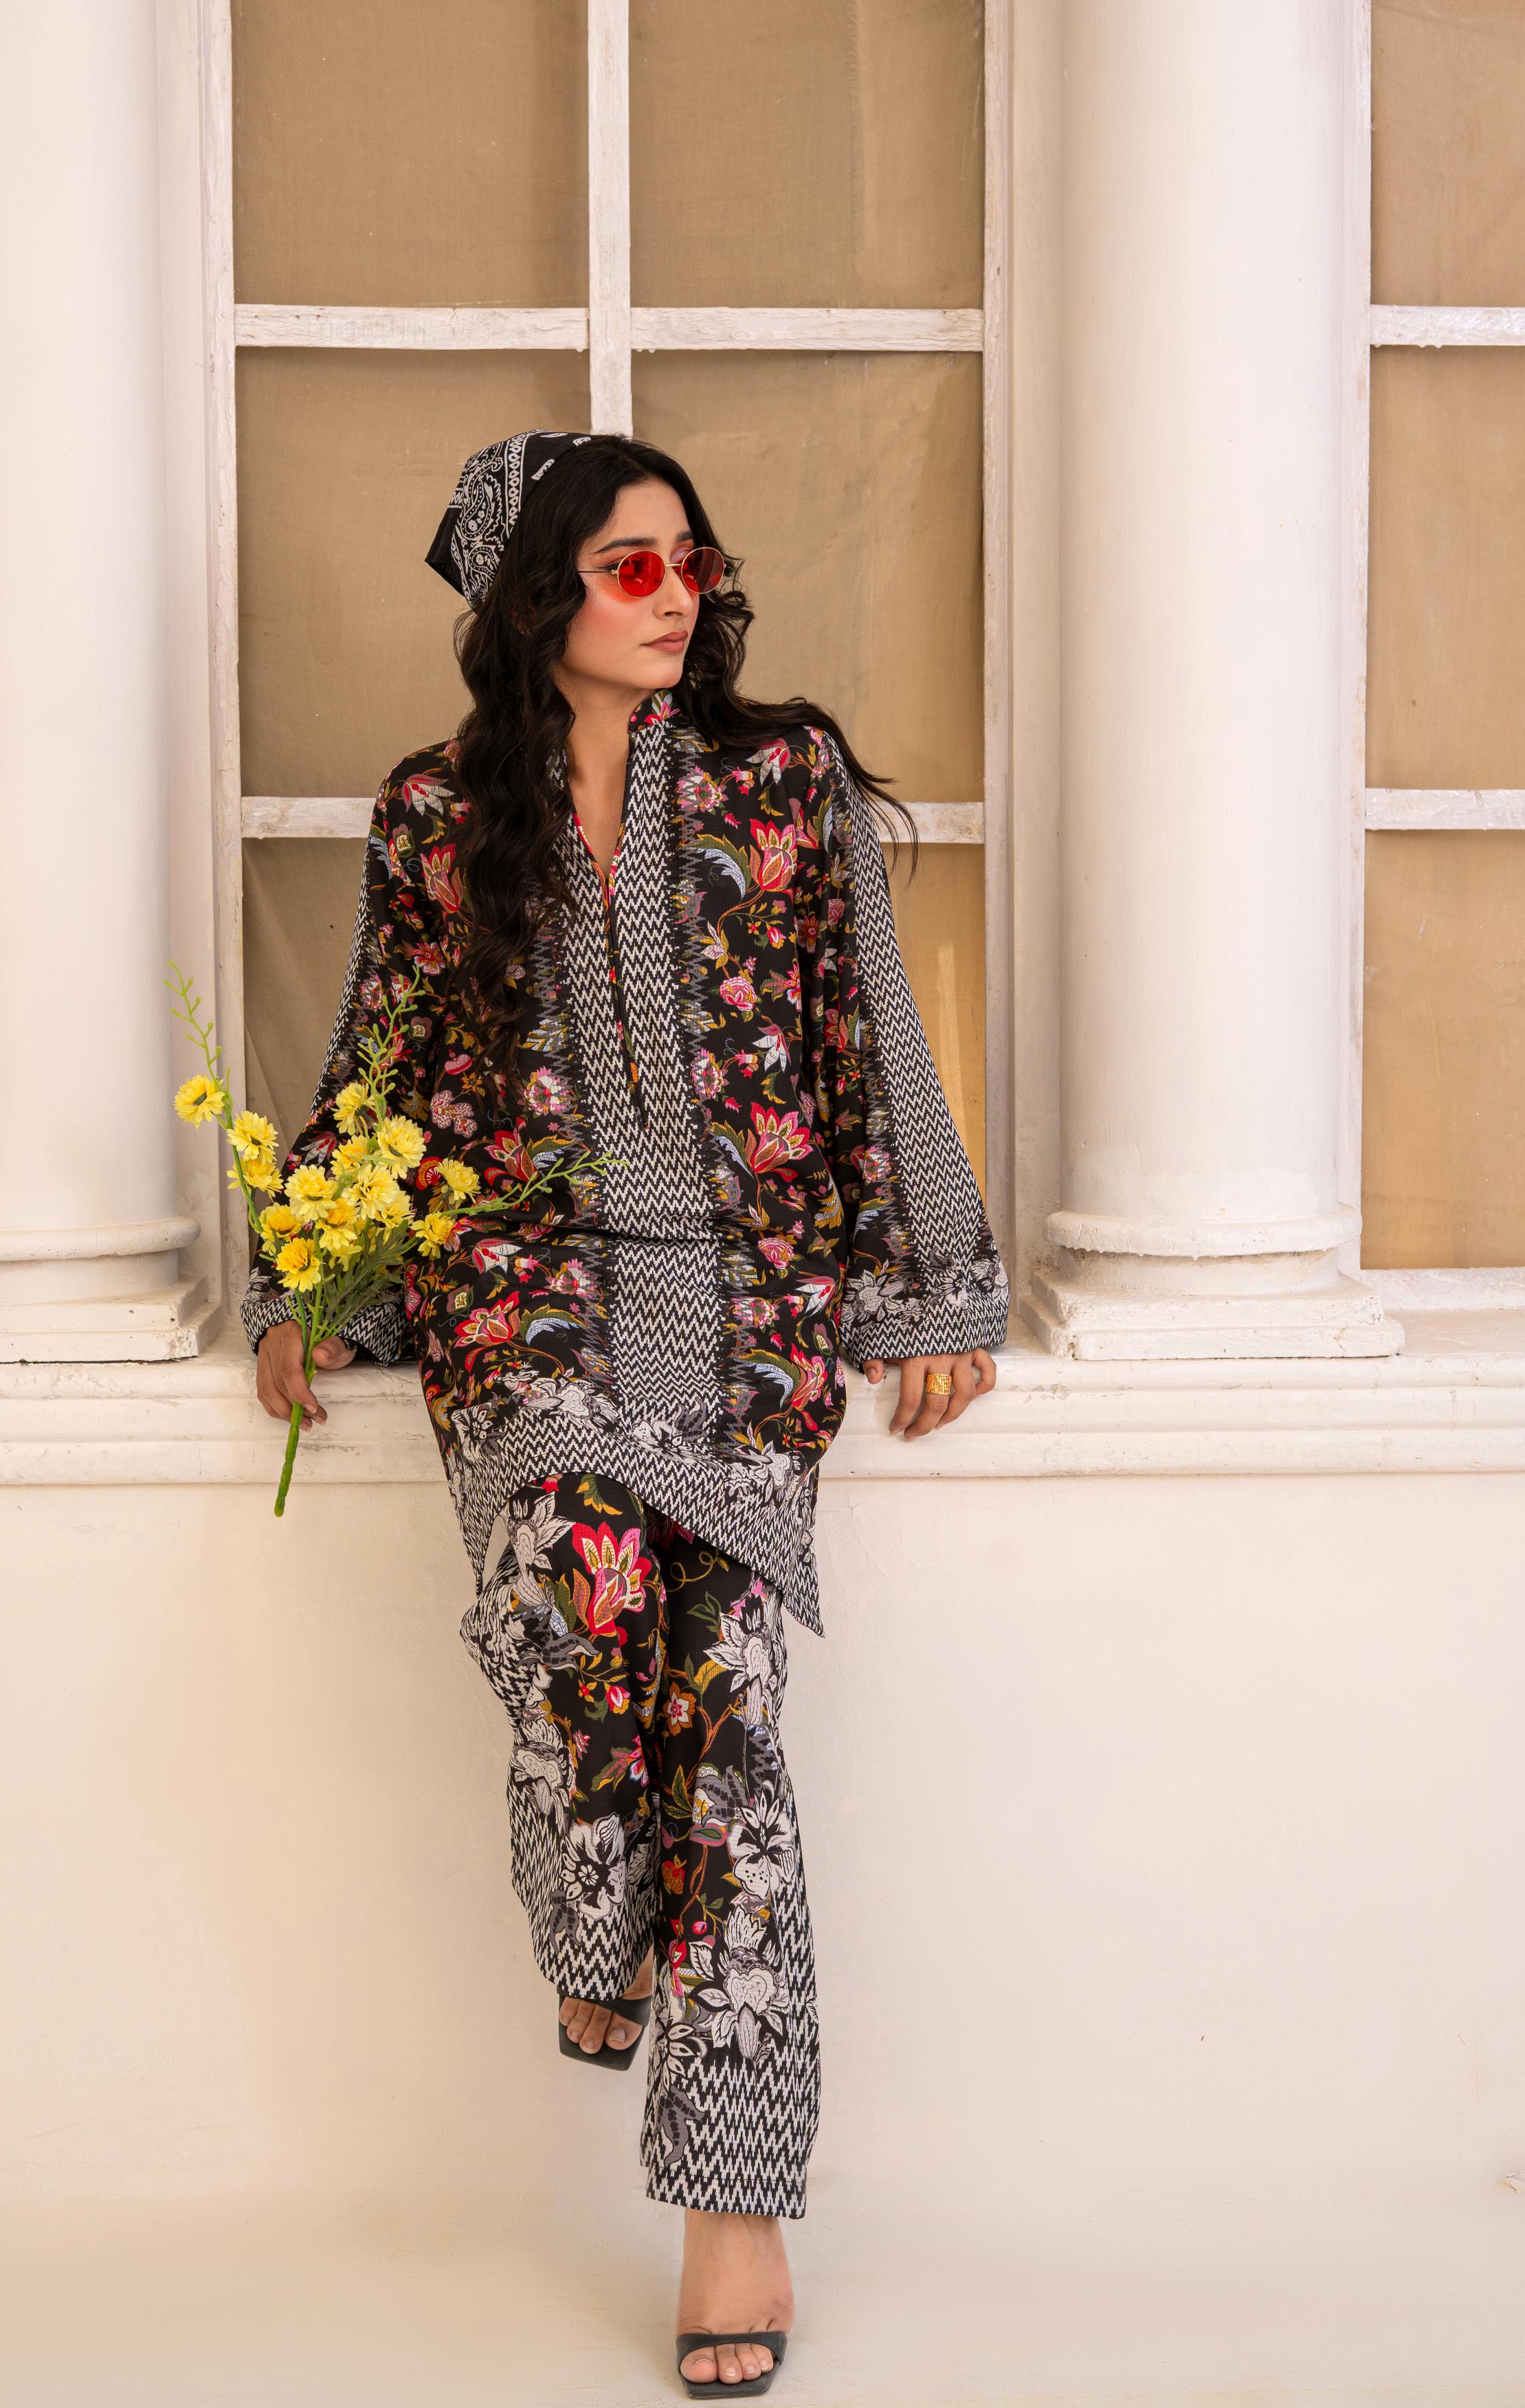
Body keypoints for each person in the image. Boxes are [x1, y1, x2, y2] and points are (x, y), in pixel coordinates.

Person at [244, 429, 1008, 2398]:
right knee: (578, 1586)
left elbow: (870, 1031)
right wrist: (312, 1280)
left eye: (693, 562)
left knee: (724, 1697)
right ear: (538, 601)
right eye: (632, 568)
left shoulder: (782, 780)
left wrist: (930, 1276)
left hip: (747, 1281)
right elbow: (384, 1063)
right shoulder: (435, 817)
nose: (681, 597)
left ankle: (733, 2211)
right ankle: (596, 1912)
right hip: (525, 1278)